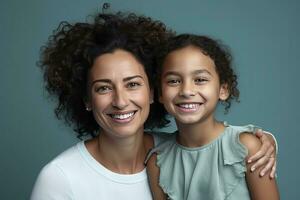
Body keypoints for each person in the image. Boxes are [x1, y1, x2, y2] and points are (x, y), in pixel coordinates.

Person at [31, 11, 277, 200]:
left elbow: (213, 145)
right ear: (85, 99)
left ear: (152, 92)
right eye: (103, 87)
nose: (120, 101)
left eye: (133, 84)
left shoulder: (167, 149)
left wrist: (264, 141)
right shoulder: (59, 178)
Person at [146, 34, 280, 200]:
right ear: (160, 93)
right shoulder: (157, 161)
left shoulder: (248, 148)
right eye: (173, 81)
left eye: (200, 79)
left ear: (223, 89)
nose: (187, 91)